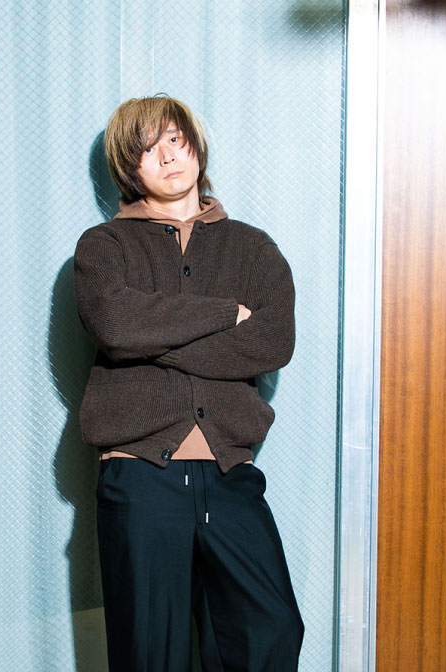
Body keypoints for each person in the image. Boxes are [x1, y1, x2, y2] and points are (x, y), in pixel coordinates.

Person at [73, 93, 305, 671]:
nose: (168, 156)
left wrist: (153, 337)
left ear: (196, 146)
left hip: (229, 472)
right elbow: (117, 326)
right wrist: (227, 314)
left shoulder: (252, 247)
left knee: (270, 628)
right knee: (151, 653)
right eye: (148, 148)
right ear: (129, 168)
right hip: (140, 474)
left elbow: (273, 342)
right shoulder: (103, 247)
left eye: (175, 140)